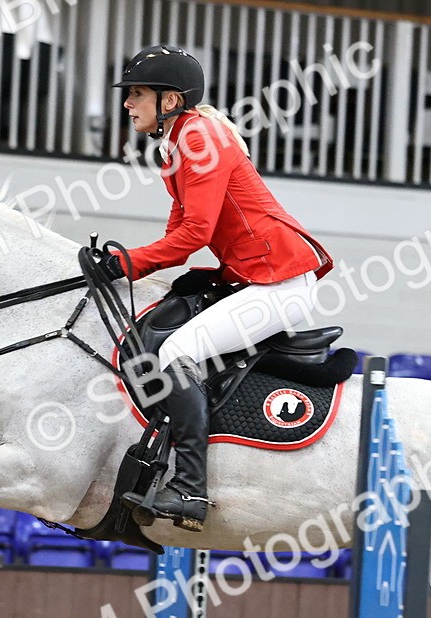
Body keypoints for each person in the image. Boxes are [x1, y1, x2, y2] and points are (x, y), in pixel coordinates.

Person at [105, 45, 334, 532]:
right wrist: (134, 266)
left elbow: (194, 236)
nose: (127, 103)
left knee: (176, 352)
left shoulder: (199, 139)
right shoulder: (177, 144)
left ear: (169, 100)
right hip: (258, 277)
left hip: (279, 284)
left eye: (137, 94)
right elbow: (178, 236)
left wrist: (126, 264)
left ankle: (190, 488)